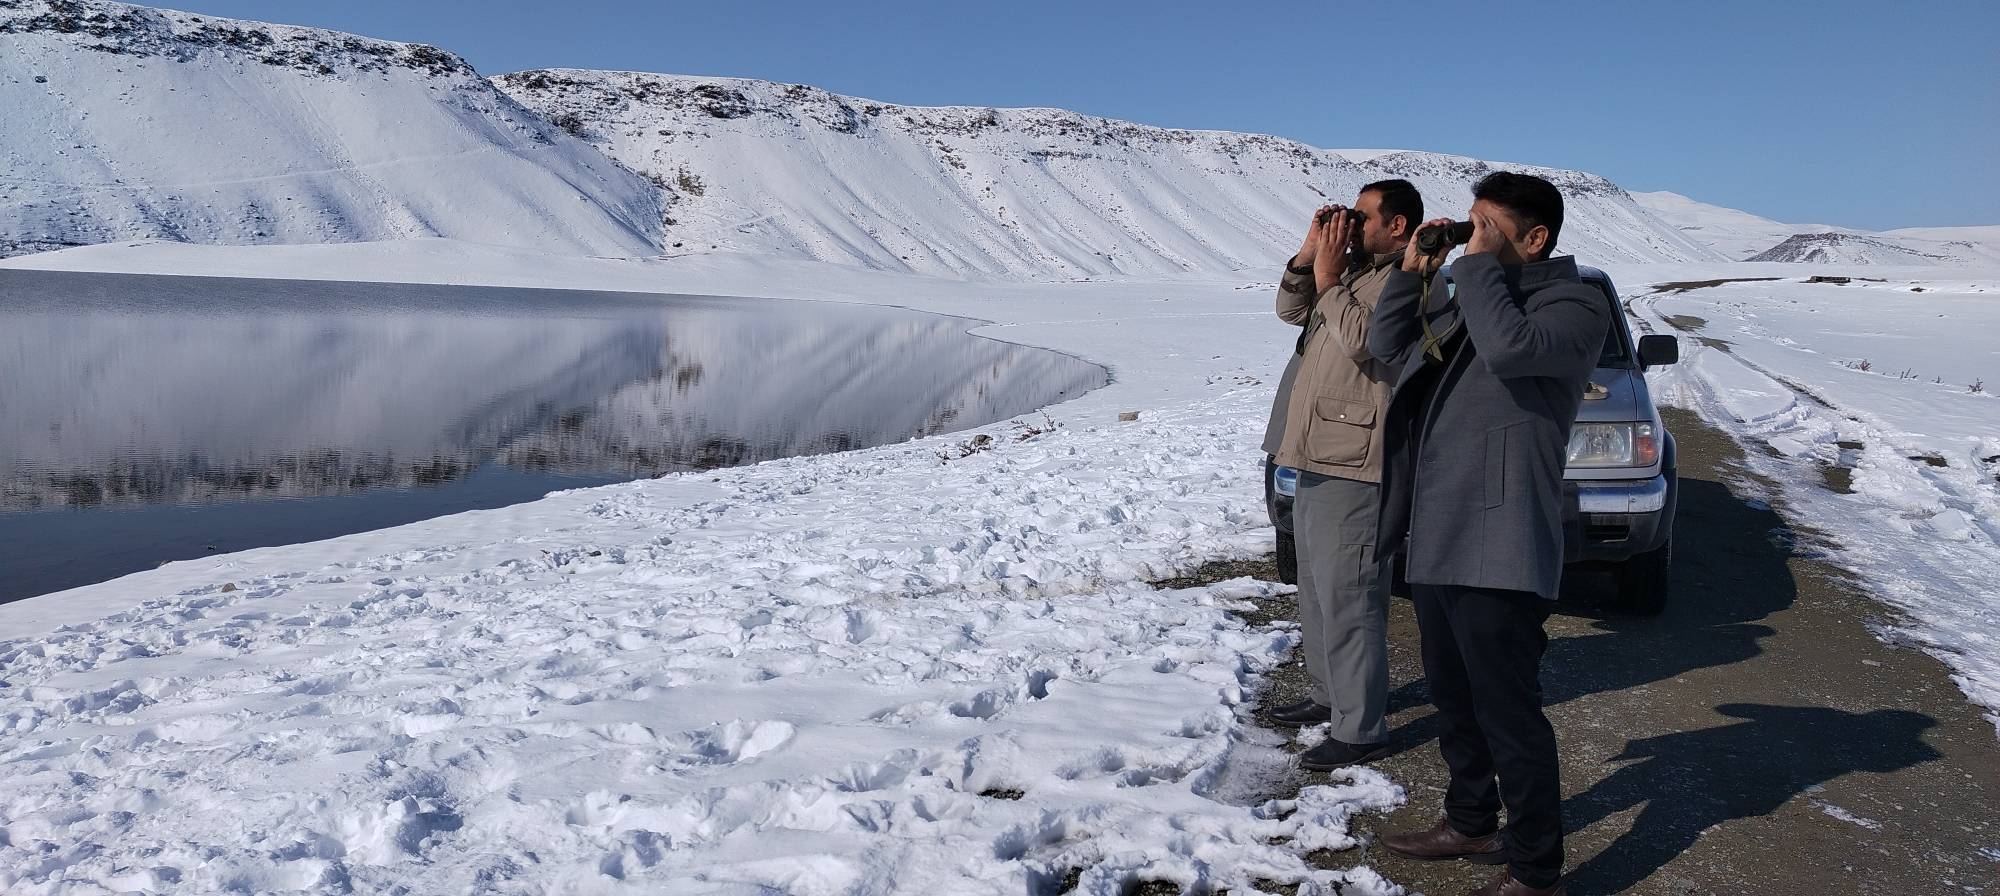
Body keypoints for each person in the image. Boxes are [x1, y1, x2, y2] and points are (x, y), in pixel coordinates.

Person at [1366, 171, 1609, 896]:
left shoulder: (1576, 301)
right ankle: (1471, 818)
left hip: (1501, 538)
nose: (1469, 237)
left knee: (1509, 714)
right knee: (1453, 695)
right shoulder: (1473, 290)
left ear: (1535, 240)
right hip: (1440, 527)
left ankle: (1536, 871)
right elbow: (1386, 347)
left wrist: (1473, 265)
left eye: (1487, 226)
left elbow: (1510, 351)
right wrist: (1415, 276)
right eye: (1468, 223)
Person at [1263, 179, 1424, 770]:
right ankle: (1329, 697)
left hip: (1358, 460)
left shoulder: (1408, 281)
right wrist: (1311, 255)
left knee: (1351, 595)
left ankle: (1361, 729)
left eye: (1361, 217)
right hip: (1312, 450)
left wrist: (1329, 277)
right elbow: (1289, 310)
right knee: (1315, 587)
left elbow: (1368, 345)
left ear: (1398, 226)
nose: (1350, 227)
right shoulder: (1353, 272)